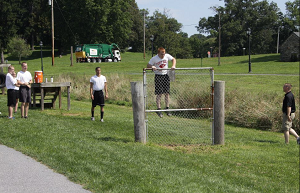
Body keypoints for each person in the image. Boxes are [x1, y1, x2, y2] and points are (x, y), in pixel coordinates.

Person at [147, 47, 176, 118]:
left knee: (167, 93)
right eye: (161, 54)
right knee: (159, 93)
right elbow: (148, 65)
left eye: (164, 54)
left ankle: (167, 108)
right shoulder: (154, 58)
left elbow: (173, 59)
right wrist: (152, 66)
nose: (163, 55)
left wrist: (173, 65)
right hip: (158, 76)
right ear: (158, 53)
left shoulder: (167, 56)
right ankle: (159, 109)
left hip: (165, 75)